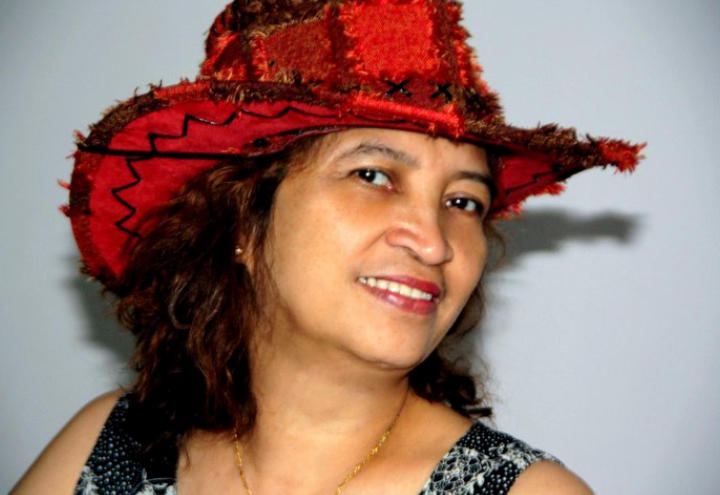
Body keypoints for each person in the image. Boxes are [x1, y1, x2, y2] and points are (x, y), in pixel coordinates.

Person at [10, 1, 644, 494]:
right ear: (241, 223)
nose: (434, 243)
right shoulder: (109, 447)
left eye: (463, 202)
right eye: (373, 175)